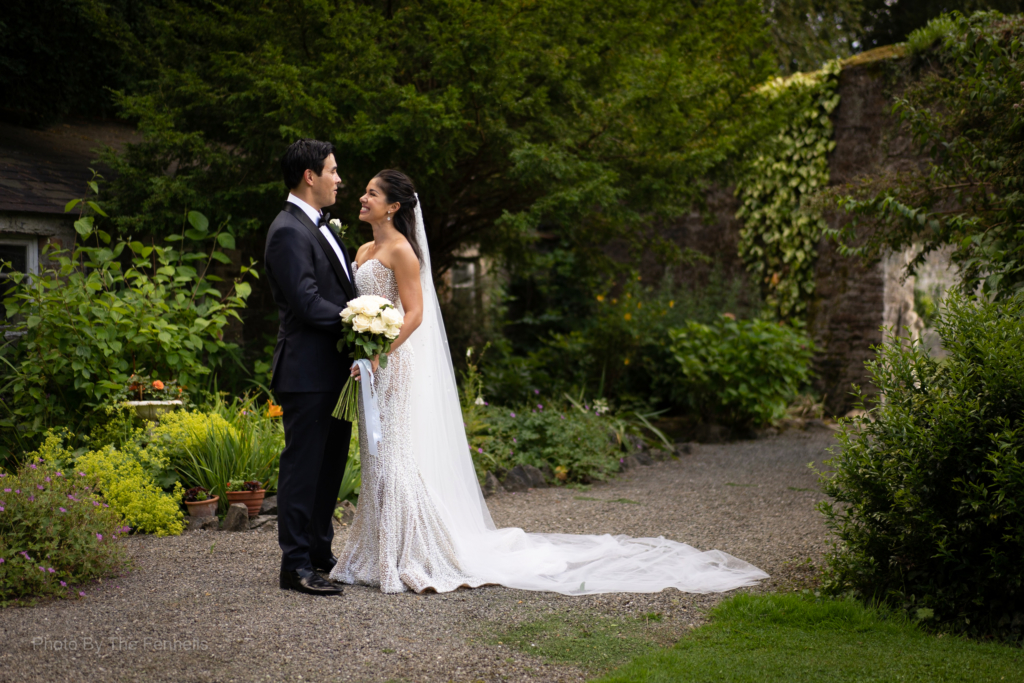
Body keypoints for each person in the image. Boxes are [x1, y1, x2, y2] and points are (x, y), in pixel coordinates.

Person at [330, 169, 770, 595]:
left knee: (394, 457)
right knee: (375, 455)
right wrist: (361, 349)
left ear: (394, 206)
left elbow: (415, 314)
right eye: (365, 192)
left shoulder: (403, 251)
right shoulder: (366, 249)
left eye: (372, 193)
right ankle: (374, 552)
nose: (363, 198)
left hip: (391, 365)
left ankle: (417, 553)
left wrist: (378, 353)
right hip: (369, 364)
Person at [265, 139, 356, 596]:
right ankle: (295, 565)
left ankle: (320, 553)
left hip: (334, 373)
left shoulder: (320, 226)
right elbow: (304, 302)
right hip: (307, 373)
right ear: (310, 176)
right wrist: (357, 322)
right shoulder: (287, 230)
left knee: (330, 468)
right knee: (304, 469)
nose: (339, 179)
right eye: (333, 170)